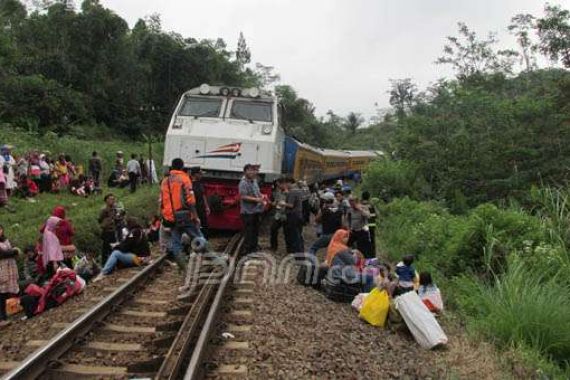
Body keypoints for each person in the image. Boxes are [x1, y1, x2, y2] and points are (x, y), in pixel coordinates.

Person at [160, 158, 205, 270]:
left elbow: (162, 200)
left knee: (176, 242)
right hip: (184, 215)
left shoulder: (165, 181)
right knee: (199, 237)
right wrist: (195, 216)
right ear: (182, 166)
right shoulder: (184, 179)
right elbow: (190, 200)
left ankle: (183, 265)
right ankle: (212, 259)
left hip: (171, 217)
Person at [238, 164, 265, 254]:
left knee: (255, 230)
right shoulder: (243, 183)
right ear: (245, 172)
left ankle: (254, 247)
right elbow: (243, 196)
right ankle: (247, 249)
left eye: (253, 170)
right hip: (247, 211)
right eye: (249, 170)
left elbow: (257, 192)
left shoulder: (254, 181)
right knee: (248, 232)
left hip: (256, 210)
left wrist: (262, 196)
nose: (252, 172)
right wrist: (257, 199)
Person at [308, 192, 344, 256]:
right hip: (337, 235)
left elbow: (316, 219)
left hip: (326, 234)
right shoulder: (340, 211)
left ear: (325, 201)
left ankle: (312, 264)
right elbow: (343, 224)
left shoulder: (323, 210)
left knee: (313, 248)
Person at [0, 225, 19, 327]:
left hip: (9, 268)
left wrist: (13, 251)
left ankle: (5, 317)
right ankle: (1, 318)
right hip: (2, 269)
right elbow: (3, 254)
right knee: (1, 293)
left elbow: (12, 250)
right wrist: (13, 251)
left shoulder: (5, 240)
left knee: (5, 292)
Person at [282, 177, 305, 254]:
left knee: (294, 236)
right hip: (299, 215)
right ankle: (300, 252)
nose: (285, 186)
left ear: (289, 183)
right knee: (299, 235)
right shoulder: (298, 191)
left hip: (293, 216)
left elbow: (291, 205)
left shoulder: (292, 192)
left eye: (285, 184)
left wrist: (282, 203)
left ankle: (297, 254)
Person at [98, 194, 122, 265]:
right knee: (105, 249)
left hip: (114, 230)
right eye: (111, 199)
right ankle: (104, 264)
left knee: (115, 247)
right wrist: (106, 222)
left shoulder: (116, 208)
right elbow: (100, 219)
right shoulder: (104, 209)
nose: (113, 201)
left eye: (113, 199)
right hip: (107, 231)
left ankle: (115, 262)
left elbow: (118, 218)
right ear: (106, 201)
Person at [190, 167, 210, 238]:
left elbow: (203, 195)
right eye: (200, 174)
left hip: (202, 209)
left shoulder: (200, 184)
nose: (201, 175)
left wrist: (207, 206)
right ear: (195, 174)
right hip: (195, 209)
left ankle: (204, 240)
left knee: (204, 226)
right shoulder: (190, 185)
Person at [269, 179, 287, 252]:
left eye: (279, 185)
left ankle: (290, 249)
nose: (278, 187)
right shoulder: (278, 192)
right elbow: (275, 203)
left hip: (286, 215)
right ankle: (273, 246)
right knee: (273, 229)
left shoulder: (288, 193)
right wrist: (269, 202)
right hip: (278, 214)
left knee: (287, 232)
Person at [361, 191, 377, 256]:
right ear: (369, 197)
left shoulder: (360, 206)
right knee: (372, 242)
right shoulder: (372, 206)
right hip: (372, 226)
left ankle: (364, 255)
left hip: (363, 227)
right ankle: (373, 256)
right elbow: (377, 215)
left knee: (364, 242)